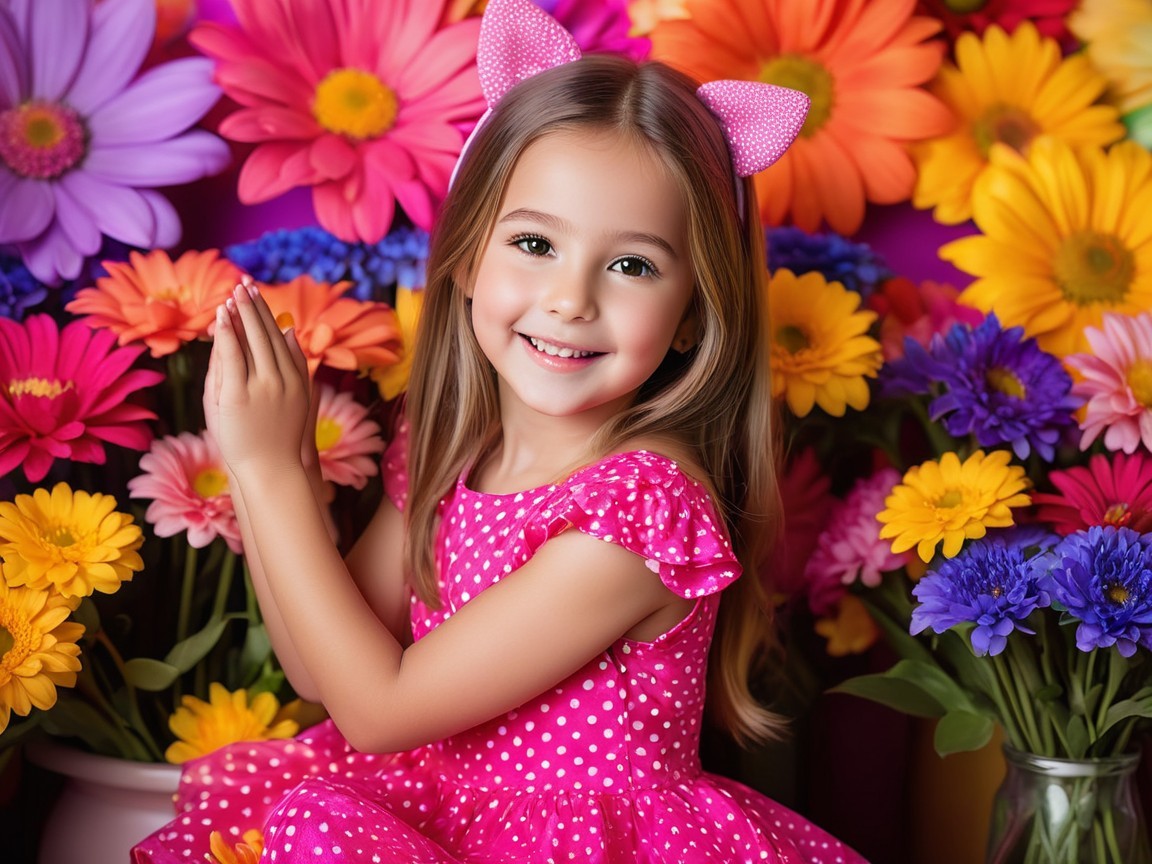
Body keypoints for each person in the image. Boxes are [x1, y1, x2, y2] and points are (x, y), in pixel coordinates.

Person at [133, 0, 867, 861]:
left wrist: (269, 477)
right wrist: (277, 459)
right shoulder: (452, 450)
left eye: (632, 265)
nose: (571, 298)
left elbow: (380, 710)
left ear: (696, 315)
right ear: (468, 255)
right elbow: (322, 674)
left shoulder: (641, 512)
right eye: (534, 243)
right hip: (437, 812)